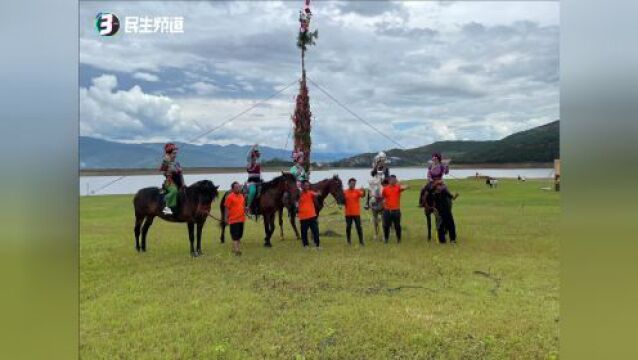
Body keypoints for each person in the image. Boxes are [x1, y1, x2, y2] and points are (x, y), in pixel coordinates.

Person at [381, 175, 408, 243]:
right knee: (386, 226)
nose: (394, 181)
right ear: (389, 180)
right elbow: (383, 197)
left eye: (395, 180)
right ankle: (386, 239)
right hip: (387, 210)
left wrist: (399, 183)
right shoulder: (385, 189)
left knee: (397, 226)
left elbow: (406, 186)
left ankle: (399, 239)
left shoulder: (398, 187)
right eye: (393, 180)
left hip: (396, 210)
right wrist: (384, 205)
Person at [431, 179, 459, 244]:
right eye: (442, 184)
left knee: (441, 226)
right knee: (450, 225)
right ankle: (452, 240)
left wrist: (434, 210)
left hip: (439, 211)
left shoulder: (434, 192)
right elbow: (453, 197)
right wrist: (456, 195)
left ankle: (442, 240)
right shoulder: (443, 190)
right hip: (446, 211)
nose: (443, 185)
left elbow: (433, 203)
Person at [159, 143, 183, 215]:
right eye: (173, 153)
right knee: (174, 191)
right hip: (170, 182)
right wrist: (169, 171)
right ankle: (166, 206)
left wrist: (183, 183)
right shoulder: (166, 161)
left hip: (179, 182)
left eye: (176, 153)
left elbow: (181, 174)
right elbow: (163, 172)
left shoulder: (177, 163)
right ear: (169, 154)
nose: (175, 155)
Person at [224, 182, 246, 255]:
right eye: (236, 187)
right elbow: (227, 208)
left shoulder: (241, 196)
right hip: (233, 220)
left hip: (241, 219)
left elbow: (242, 205)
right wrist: (226, 218)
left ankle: (235, 249)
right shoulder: (229, 197)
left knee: (240, 235)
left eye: (239, 187)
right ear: (232, 189)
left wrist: (246, 208)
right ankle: (237, 251)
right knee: (235, 235)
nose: (238, 188)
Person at [298, 180, 321, 248]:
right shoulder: (299, 194)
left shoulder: (310, 192)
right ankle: (305, 245)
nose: (307, 187)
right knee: (304, 232)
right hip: (303, 217)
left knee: (316, 231)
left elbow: (316, 194)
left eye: (308, 186)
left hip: (312, 216)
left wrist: (318, 194)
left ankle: (317, 245)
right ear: (302, 186)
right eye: (306, 186)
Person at [344, 178, 365, 245]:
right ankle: (348, 241)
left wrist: (363, 191)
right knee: (348, 227)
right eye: (352, 183)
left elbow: (362, 195)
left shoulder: (357, 191)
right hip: (348, 213)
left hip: (356, 213)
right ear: (348, 183)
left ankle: (361, 241)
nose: (353, 185)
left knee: (359, 227)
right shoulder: (345, 192)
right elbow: (341, 200)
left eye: (354, 184)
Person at [245, 144, 262, 216]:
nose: (256, 156)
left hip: (259, 181)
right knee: (252, 191)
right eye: (254, 155)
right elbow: (248, 155)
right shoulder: (249, 162)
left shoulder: (258, 162)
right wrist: (253, 147)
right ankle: (248, 207)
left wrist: (257, 148)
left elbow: (260, 154)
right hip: (251, 181)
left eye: (256, 155)